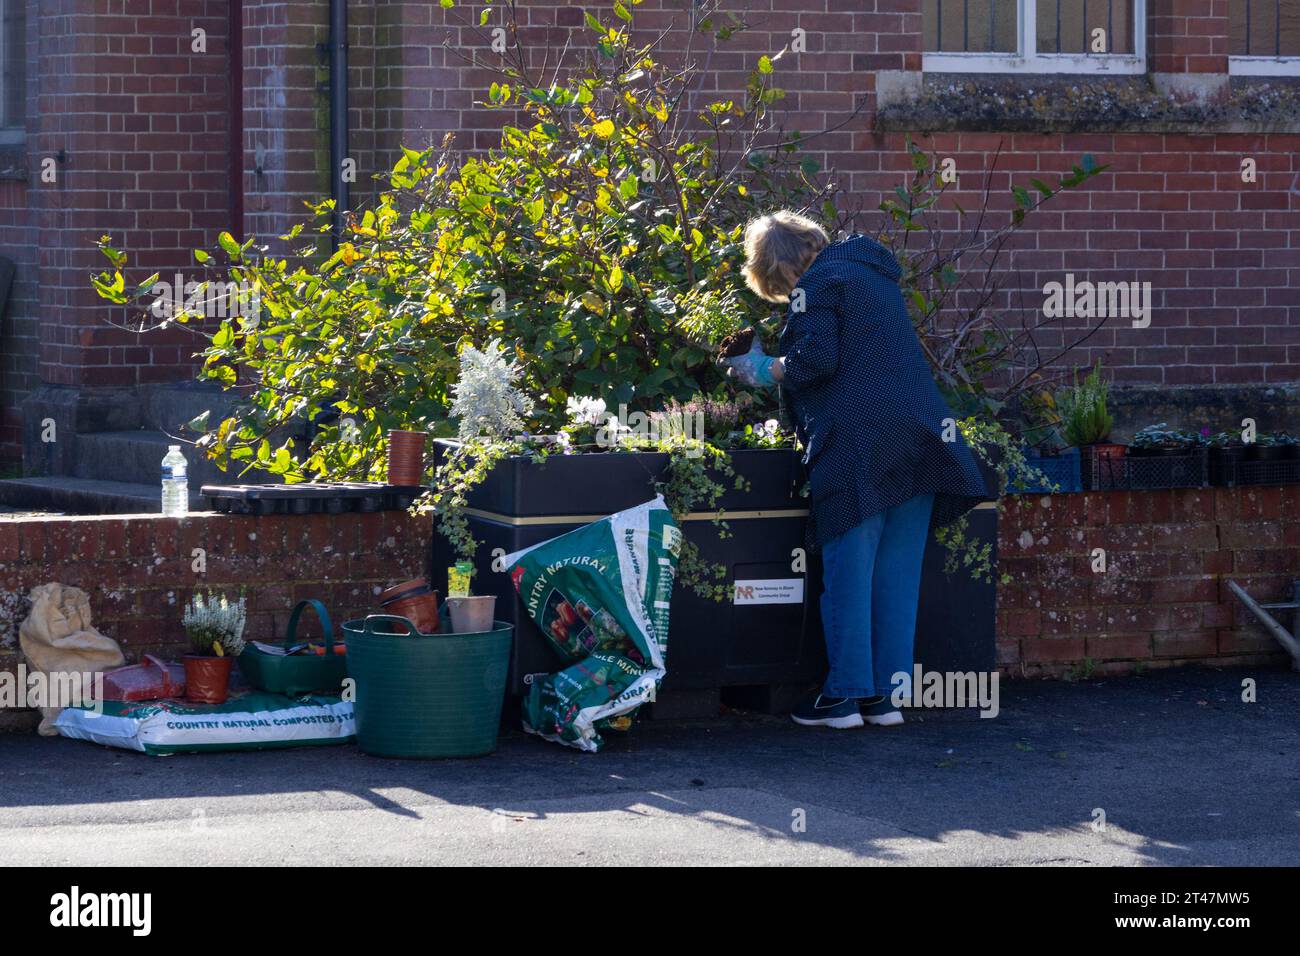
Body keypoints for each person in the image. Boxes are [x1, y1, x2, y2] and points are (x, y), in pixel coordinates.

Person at [724, 211, 989, 729]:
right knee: (896, 573)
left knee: (849, 569)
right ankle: (885, 700)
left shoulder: (817, 283)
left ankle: (843, 698)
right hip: (923, 436)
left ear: (778, 270)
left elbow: (814, 362)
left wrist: (759, 370)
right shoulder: (869, 273)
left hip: (858, 443)